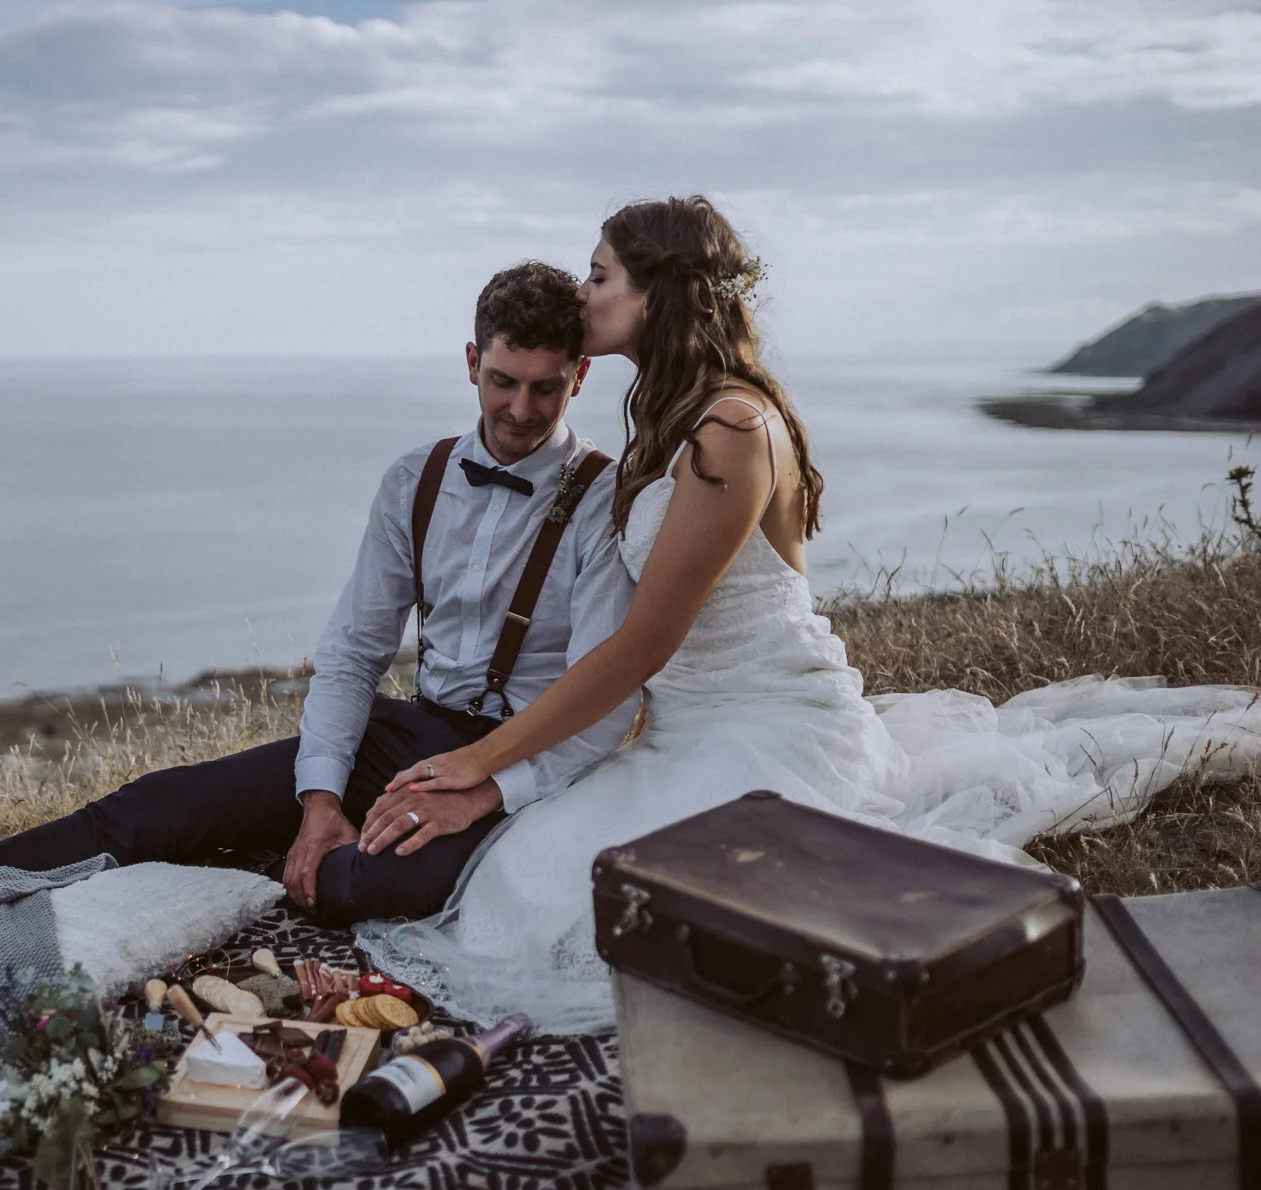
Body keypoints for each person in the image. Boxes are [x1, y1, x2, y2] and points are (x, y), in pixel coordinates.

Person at [356, 195, 1261, 1034]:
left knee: (563, 894)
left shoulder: (731, 430)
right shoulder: (671, 414)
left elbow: (641, 647)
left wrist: (475, 759)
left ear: (657, 294)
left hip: (769, 726)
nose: (583, 290)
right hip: (684, 727)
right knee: (528, 877)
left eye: (600, 275)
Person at [0, 261, 641, 928]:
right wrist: (323, 799)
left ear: (581, 377)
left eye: (545, 388)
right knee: (155, 805)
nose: (521, 409)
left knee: (388, 887)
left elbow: (603, 707)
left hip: (522, 762)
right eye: (502, 381)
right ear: (471, 360)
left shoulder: (606, 498)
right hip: (408, 738)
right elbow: (354, 654)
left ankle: (274, 864)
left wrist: (484, 790)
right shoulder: (419, 476)